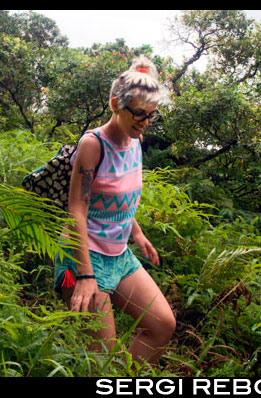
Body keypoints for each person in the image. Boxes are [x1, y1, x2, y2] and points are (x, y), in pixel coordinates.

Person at [54, 55, 176, 366]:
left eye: (151, 115)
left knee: (162, 326)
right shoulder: (93, 144)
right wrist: (84, 274)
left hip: (118, 254)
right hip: (81, 255)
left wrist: (137, 233)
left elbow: (120, 197)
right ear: (114, 105)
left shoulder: (135, 140)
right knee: (99, 359)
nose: (145, 122)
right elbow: (77, 209)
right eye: (138, 114)